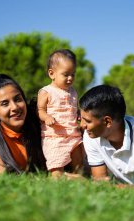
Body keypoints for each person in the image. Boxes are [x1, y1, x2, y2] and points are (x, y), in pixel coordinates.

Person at [0, 74, 46, 173]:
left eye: (17, 99)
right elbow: (2, 177)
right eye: (5, 104)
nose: (15, 107)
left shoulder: (40, 122)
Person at [37, 49, 84, 178]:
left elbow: (74, 108)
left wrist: (79, 114)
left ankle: (75, 176)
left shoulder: (73, 92)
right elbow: (40, 110)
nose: (70, 78)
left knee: (79, 165)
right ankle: (63, 177)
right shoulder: (46, 91)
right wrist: (46, 117)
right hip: (55, 137)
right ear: (52, 74)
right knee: (56, 168)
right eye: (66, 74)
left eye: (73, 74)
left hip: (73, 135)